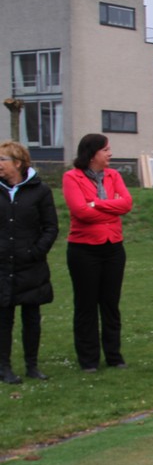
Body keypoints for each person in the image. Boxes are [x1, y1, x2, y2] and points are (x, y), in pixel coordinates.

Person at [63, 133, 133, 372]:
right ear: (92, 154)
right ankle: (88, 359)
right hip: (84, 250)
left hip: (113, 247)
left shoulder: (114, 175)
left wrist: (97, 204)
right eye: (105, 149)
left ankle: (114, 356)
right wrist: (110, 209)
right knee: (86, 304)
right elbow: (80, 212)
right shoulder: (72, 177)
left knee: (110, 304)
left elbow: (126, 204)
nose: (110, 153)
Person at [0, 141, 58, 384]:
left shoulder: (40, 191)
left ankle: (32, 366)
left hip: (31, 265)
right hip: (3, 266)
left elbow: (50, 227)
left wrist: (36, 252)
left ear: (18, 163)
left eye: (2, 159)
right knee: (4, 319)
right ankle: (4, 368)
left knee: (31, 317)